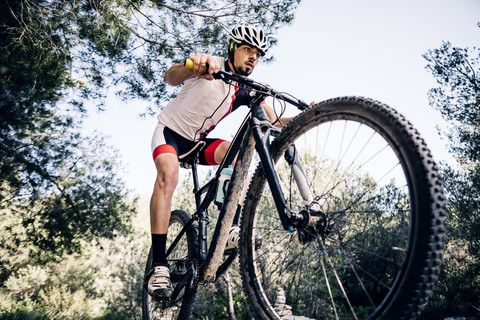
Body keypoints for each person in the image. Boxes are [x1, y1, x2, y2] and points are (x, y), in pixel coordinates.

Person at [147, 25, 290, 299]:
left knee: (233, 154)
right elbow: (170, 77)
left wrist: (309, 115)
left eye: (258, 54)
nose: (253, 57)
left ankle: (229, 228)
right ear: (232, 49)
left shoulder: (245, 89)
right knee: (168, 176)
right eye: (247, 49)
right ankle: (158, 265)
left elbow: (273, 121)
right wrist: (195, 65)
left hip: (198, 143)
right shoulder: (210, 67)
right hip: (169, 135)